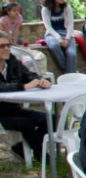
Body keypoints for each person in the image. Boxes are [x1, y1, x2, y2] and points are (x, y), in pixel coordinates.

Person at [0, 29, 51, 163]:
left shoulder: (12, 61)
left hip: (13, 109)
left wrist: (40, 80)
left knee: (51, 118)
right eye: (2, 46)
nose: (6, 49)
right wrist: (23, 86)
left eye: (8, 45)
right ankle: (41, 154)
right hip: (1, 114)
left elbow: (29, 74)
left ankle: (21, 149)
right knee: (26, 123)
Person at [41, 0, 76, 72]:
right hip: (52, 34)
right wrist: (59, 38)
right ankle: (64, 67)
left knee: (71, 54)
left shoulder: (67, 7)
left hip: (66, 33)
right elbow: (48, 26)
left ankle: (72, 74)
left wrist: (67, 39)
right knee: (54, 45)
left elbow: (70, 24)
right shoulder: (46, 9)